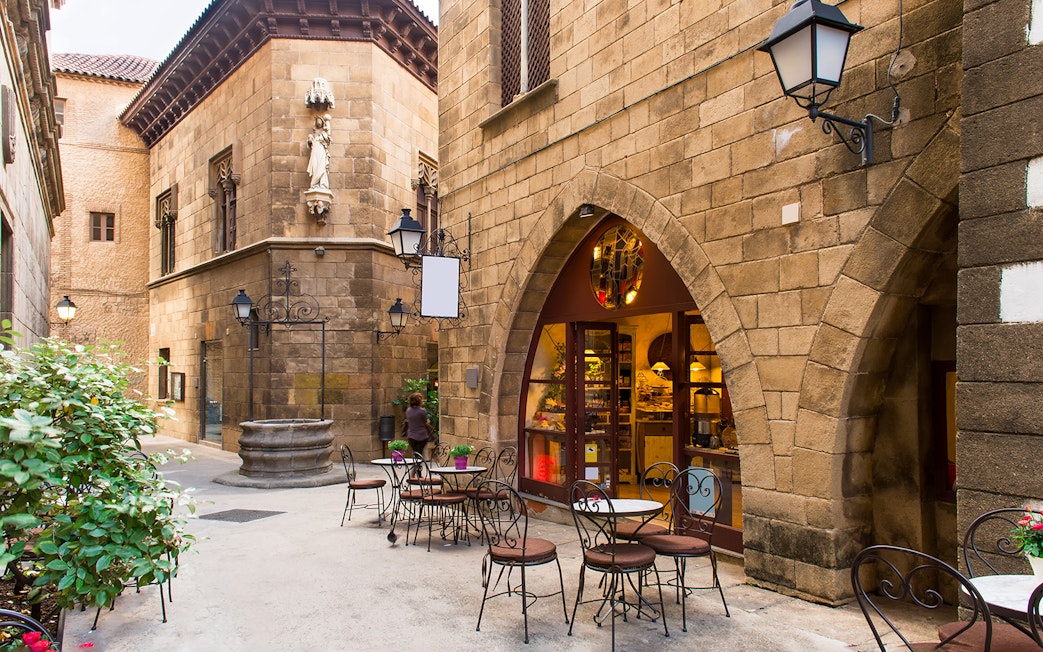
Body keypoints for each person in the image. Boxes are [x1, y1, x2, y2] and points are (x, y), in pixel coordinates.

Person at [404, 392, 432, 458]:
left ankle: (416, 466)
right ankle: (417, 466)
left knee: (416, 452)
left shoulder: (408, 410)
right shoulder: (422, 411)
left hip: (411, 436)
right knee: (419, 453)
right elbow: (426, 422)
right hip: (421, 436)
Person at [306, 114, 331, 190]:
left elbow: (328, 139)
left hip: (321, 151)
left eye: (320, 121)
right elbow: (309, 143)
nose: (318, 122)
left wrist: (327, 124)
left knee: (321, 166)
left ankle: (322, 184)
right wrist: (310, 141)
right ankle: (314, 184)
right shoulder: (313, 135)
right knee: (315, 166)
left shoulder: (324, 134)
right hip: (314, 151)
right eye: (317, 121)